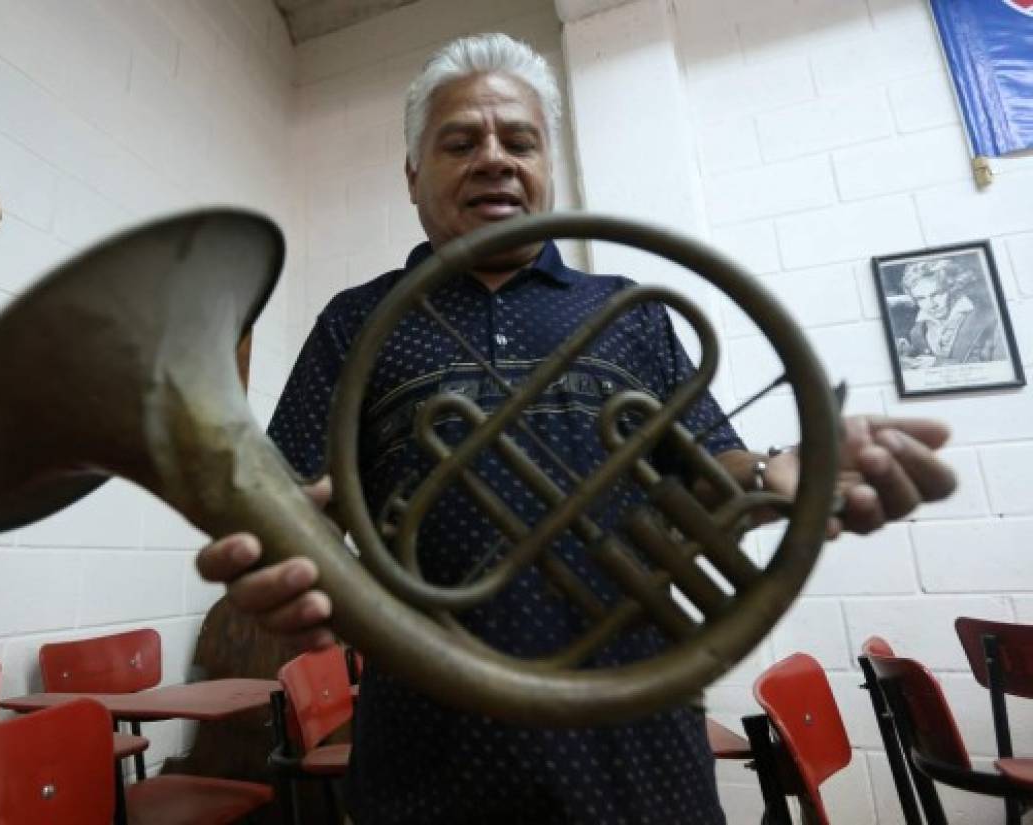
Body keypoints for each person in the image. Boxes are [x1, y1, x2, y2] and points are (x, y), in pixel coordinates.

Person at [197, 33, 957, 824]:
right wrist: (280, 540)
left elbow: (711, 467)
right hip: (430, 747)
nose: (494, 158)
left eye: (518, 141)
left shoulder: (627, 310)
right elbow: (292, 499)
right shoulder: (355, 322)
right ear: (413, 174)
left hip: (637, 738)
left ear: (546, 167)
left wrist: (775, 475)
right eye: (461, 141)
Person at [895, 257, 1006, 368]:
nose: (931, 304)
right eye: (921, 298)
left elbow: (999, 370)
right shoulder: (917, 332)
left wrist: (938, 364)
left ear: (953, 288)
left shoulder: (990, 318)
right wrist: (910, 353)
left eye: (937, 294)